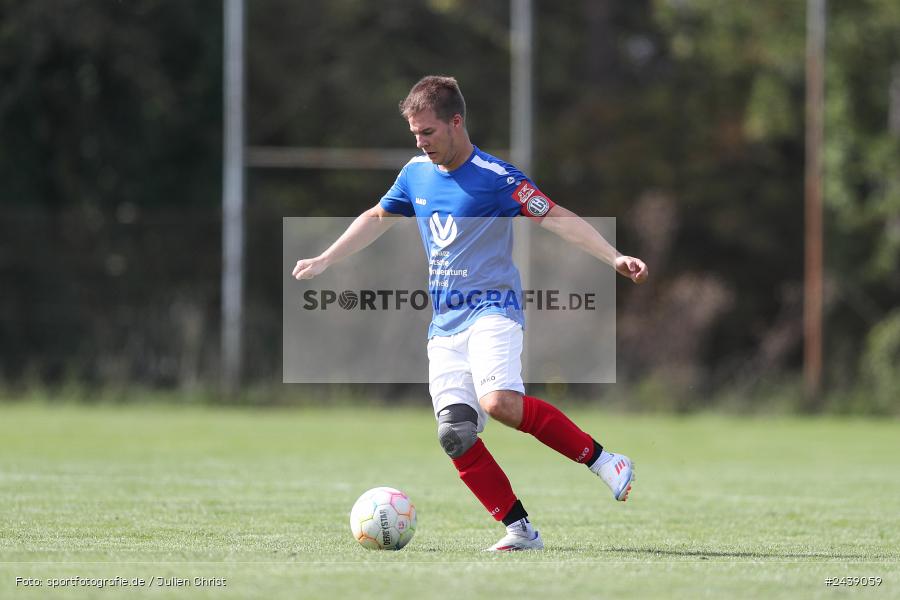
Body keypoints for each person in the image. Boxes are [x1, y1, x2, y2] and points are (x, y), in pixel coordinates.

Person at [293, 75, 648, 551]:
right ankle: (521, 531)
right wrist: (324, 259)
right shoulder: (414, 174)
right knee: (455, 435)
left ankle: (605, 461)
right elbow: (377, 217)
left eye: (428, 132)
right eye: (415, 134)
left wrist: (613, 257)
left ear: (455, 122)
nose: (421, 142)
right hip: (444, 325)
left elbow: (556, 216)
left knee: (499, 402)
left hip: (492, 312)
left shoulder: (496, 177)